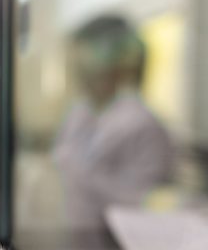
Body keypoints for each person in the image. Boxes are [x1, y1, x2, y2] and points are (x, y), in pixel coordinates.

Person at [53, 15, 174, 227]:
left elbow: (141, 201)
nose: (80, 76)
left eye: (87, 67)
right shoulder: (82, 111)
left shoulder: (142, 124)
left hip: (118, 241)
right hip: (79, 233)